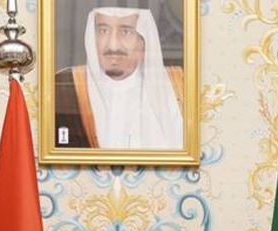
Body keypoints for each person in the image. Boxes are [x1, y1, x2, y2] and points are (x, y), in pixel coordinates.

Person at [54, 6, 184, 150]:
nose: (113, 45)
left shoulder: (178, 87)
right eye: (103, 31)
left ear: (144, 40)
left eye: (126, 32)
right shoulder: (64, 87)